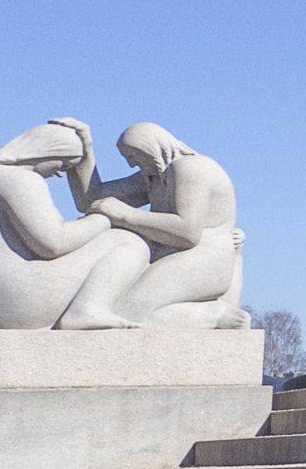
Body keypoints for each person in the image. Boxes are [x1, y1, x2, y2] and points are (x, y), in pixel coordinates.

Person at [0, 123, 156, 330]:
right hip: (17, 302)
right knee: (126, 241)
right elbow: (55, 244)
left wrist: (86, 152)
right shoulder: (19, 179)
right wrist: (105, 217)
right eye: (64, 164)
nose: (60, 174)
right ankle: (87, 310)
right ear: (46, 152)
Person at [60, 122, 249, 329]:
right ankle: (212, 315)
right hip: (169, 257)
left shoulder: (191, 168)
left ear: (151, 147)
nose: (131, 164)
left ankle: (215, 315)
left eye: (133, 155)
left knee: (123, 313)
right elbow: (91, 200)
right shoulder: (154, 176)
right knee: (114, 312)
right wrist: (84, 151)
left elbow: (188, 232)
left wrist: (125, 214)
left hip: (203, 259)